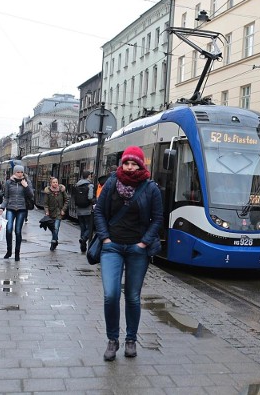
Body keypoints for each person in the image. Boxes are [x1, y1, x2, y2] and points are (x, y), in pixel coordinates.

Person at [94, 146, 163, 361]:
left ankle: (131, 340)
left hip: (136, 249)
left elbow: (158, 218)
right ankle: (112, 340)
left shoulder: (151, 188)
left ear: (141, 165)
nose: (130, 167)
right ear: (122, 164)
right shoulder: (112, 183)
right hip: (112, 247)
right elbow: (98, 211)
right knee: (111, 294)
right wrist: (105, 238)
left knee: (132, 296)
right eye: (127, 163)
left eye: (135, 164)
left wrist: (144, 243)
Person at [0, 165, 34, 262]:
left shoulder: (26, 182)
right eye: (18, 172)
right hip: (10, 208)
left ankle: (17, 252)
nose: (20, 174)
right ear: (14, 172)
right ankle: (9, 250)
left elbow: (31, 195)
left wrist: (26, 186)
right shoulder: (9, 182)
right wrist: (2, 208)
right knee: (8, 229)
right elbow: (6, 197)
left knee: (18, 231)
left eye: (21, 172)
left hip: (22, 209)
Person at [43, 176, 68, 251]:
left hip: (59, 213)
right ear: (51, 183)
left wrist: (63, 209)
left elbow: (66, 200)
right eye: (53, 182)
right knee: (53, 229)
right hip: (51, 213)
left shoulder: (62, 190)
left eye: (56, 182)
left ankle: (53, 242)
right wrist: (47, 211)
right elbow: (45, 203)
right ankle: (55, 239)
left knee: (56, 228)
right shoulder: (48, 192)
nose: (55, 184)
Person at [75, 170, 94, 253]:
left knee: (82, 227)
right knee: (89, 227)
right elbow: (90, 197)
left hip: (79, 210)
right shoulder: (90, 185)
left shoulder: (77, 184)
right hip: (87, 210)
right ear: (89, 176)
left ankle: (82, 247)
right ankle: (84, 239)